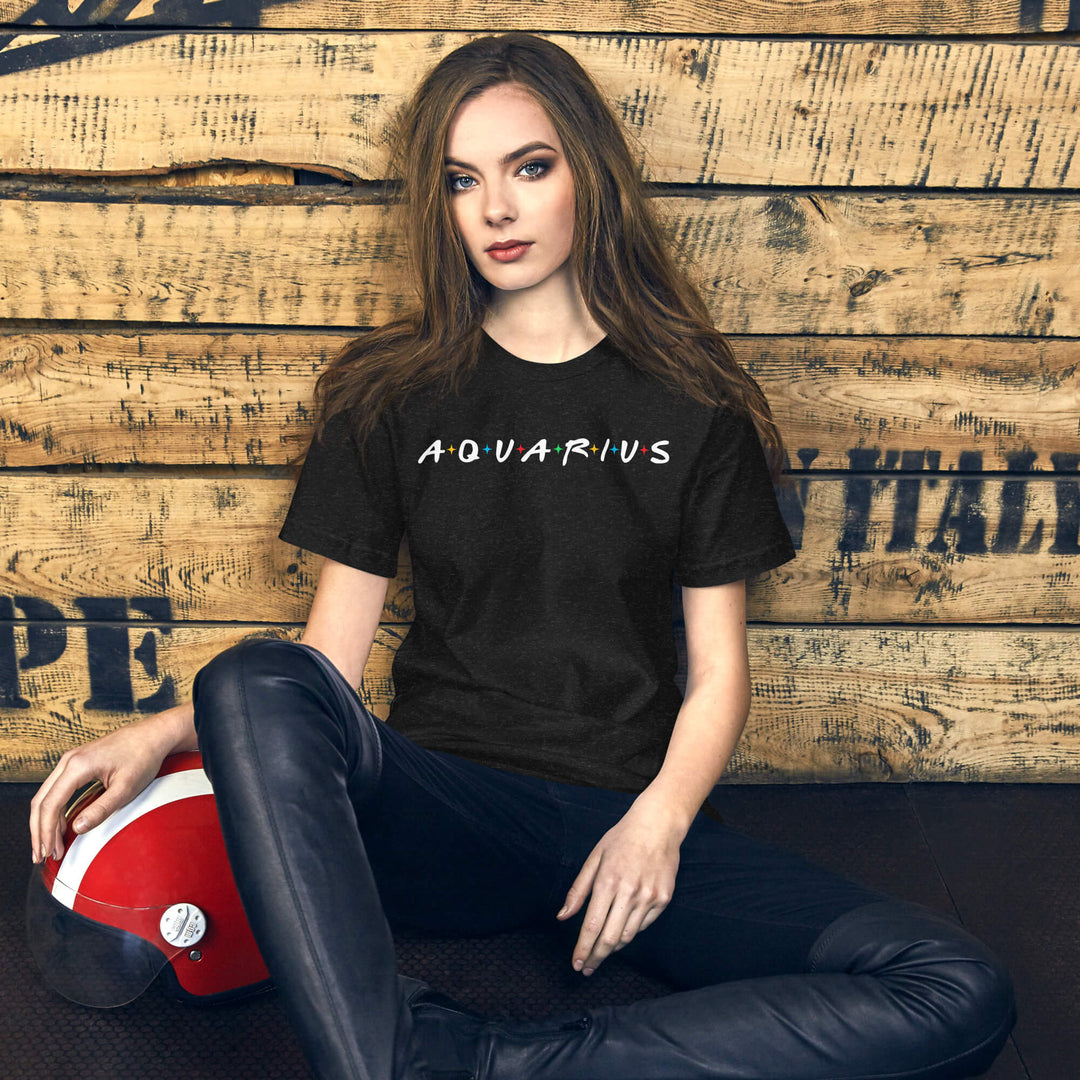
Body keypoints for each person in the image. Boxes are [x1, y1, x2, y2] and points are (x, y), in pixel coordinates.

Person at [30, 32, 1015, 1080]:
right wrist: (173, 733)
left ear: (587, 173)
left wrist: (657, 828)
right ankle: (386, 1062)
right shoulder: (388, 394)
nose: (496, 209)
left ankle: (494, 1062)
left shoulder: (695, 404)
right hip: (441, 811)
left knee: (956, 987)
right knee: (250, 675)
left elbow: (719, 671)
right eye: (463, 180)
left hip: (625, 819)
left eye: (529, 167)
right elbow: (321, 669)